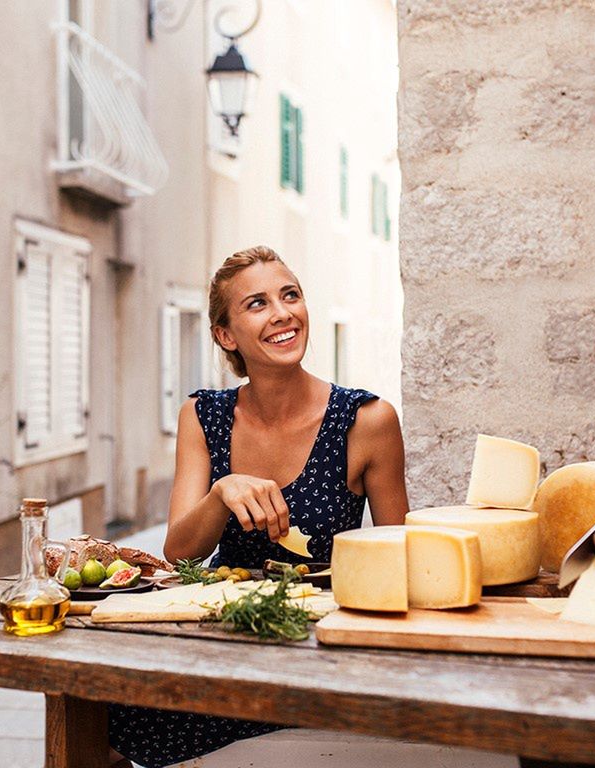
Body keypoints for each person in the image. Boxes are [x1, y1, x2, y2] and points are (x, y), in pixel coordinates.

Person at [107, 245, 409, 767]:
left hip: (323, 643)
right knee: (120, 707)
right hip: (229, 638)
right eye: (258, 304)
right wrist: (222, 493)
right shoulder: (203, 416)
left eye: (290, 295)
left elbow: (400, 557)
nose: (283, 312)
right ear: (226, 336)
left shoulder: (368, 420)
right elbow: (179, 554)